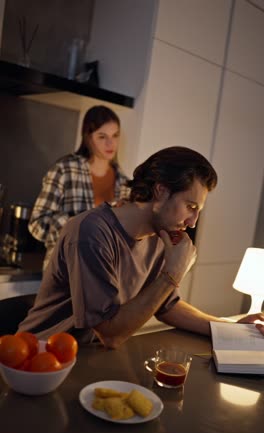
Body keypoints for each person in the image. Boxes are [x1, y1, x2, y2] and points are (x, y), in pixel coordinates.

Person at [19, 146, 264, 346]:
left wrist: (229, 329)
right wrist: (173, 274)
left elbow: (168, 305)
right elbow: (111, 334)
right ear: (160, 191)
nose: (192, 223)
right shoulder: (92, 233)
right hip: (37, 358)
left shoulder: (160, 236)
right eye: (190, 206)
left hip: (88, 358)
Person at [28, 105, 130, 270]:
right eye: (102, 136)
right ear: (88, 138)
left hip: (103, 274)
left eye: (115, 135)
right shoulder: (65, 169)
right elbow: (37, 223)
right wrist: (77, 226)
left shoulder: (125, 183)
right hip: (63, 271)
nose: (110, 143)